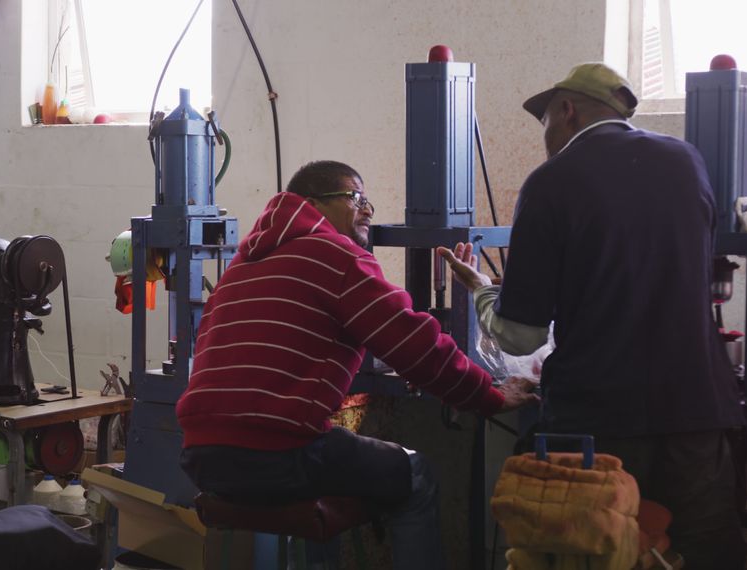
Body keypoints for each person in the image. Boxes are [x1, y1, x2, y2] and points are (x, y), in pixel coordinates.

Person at [438, 63, 746, 568]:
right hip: (697, 405)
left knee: (593, 552)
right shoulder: (687, 161)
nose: (547, 136)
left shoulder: (551, 182)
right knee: (703, 551)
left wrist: (482, 292)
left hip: (601, 417)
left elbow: (519, 336)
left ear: (566, 110)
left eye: (546, 123)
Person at [177, 160, 538, 570]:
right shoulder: (336, 254)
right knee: (416, 474)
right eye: (355, 198)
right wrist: (486, 395)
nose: (368, 209)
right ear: (312, 203)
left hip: (200, 456)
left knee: (331, 459)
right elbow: (413, 345)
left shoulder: (242, 264)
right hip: (277, 453)